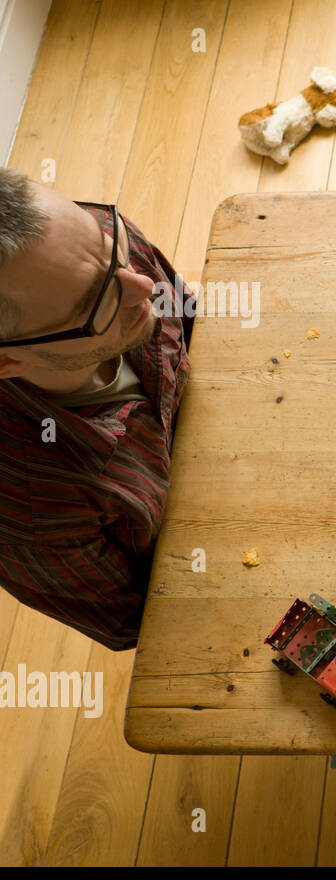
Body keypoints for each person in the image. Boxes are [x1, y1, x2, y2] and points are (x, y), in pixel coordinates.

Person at [0, 166, 191, 650]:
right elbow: (136, 621)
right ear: (8, 360)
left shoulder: (98, 257)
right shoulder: (37, 514)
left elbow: (190, 319)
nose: (142, 286)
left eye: (112, 244)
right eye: (99, 303)